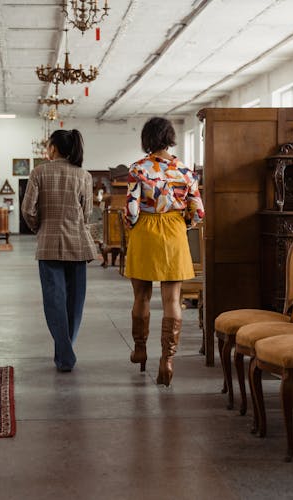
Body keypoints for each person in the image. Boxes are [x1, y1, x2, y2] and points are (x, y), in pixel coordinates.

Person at [124, 117, 204, 386]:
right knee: (172, 300)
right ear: (170, 137)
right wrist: (183, 224)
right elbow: (198, 212)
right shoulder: (185, 170)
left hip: (145, 231)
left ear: (147, 139)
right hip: (174, 231)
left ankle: (140, 348)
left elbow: (131, 210)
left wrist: (133, 224)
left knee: (142, 296)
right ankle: (167, 360)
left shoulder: (138, 169)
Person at [21, 129, 97, 372]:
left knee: (54, 302)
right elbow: (86, 213)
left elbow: (28, 210)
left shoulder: (39, 172)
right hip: (78, 244)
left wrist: (39, 228)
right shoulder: (84, 175)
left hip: (49, 245)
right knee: (75, 302)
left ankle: (64, 353)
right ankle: (66, 350)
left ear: (53, 148)